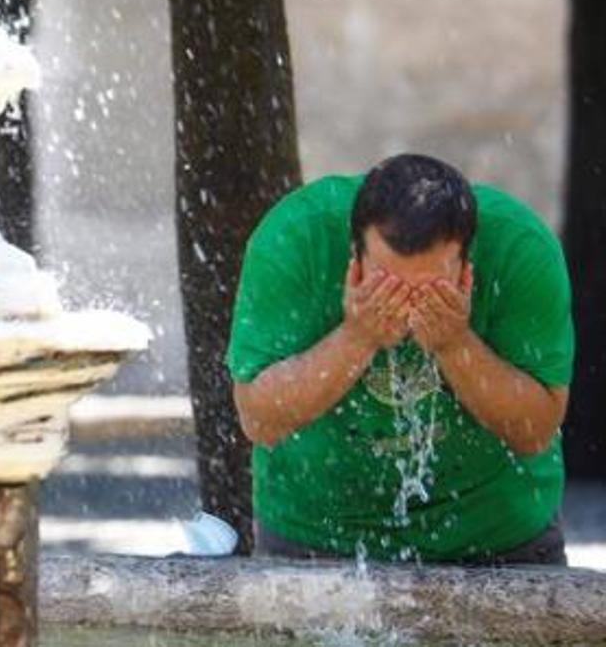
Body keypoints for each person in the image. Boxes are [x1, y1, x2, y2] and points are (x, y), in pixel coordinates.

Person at [227, 153, 573, 564]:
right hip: (318, 532)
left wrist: (455, 343)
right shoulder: (295, 238)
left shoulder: (519, 249)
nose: (407, 305)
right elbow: (258, 419)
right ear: (354, 260)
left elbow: (534, 430)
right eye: (386, 283)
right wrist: (356, 338)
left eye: (432, 288)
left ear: (466, 267)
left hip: (497, 534)